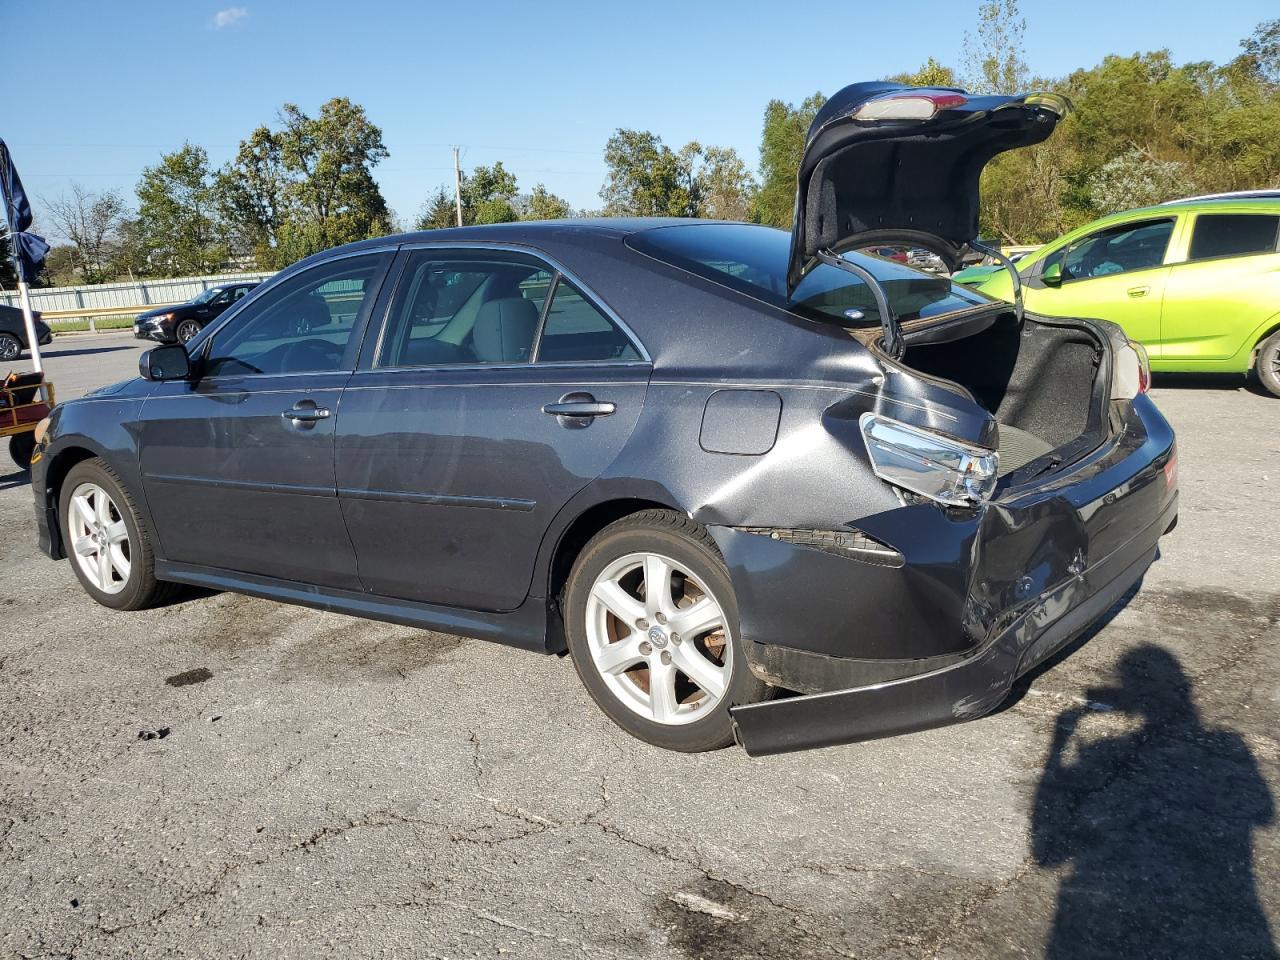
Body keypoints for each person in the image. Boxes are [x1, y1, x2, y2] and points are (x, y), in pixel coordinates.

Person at [1032, 644, 1276, 959]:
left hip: (1092, 912)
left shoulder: (1103, 750)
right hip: (1224, 911)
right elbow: (1264, 812)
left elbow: (1045, 856)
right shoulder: (1230, 743)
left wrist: (1060, 739)